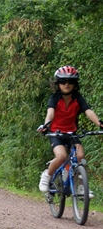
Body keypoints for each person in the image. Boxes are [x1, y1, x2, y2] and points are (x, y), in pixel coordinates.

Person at [37, 65, 103, 199]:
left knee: (80, 156)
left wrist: (100, 123)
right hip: (56, 133)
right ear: (58, 83)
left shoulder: (78, 98)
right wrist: (46, 125)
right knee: (61, 156)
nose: (67, 84)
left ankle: (80, 188)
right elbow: (50, 113)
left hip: (71, 133)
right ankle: (47, 175)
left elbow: (88, 111)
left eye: (70, 82)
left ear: (75, 84)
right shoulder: (54, 98)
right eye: (63, 81)